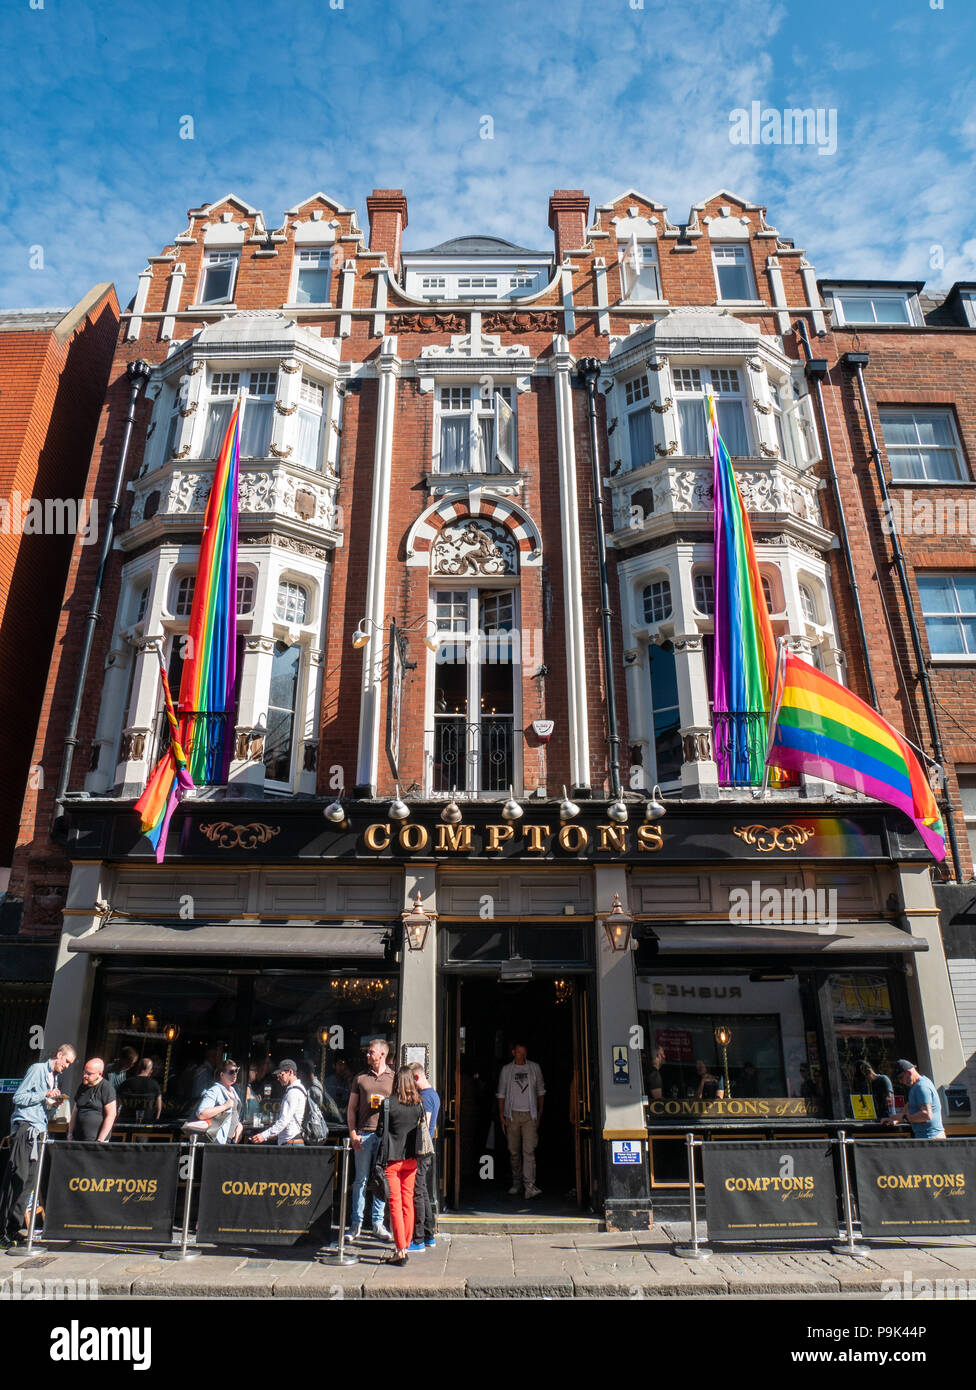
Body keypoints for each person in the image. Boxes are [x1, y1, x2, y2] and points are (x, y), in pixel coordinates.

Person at [0, 1043, 76, 1247]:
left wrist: (53, 1106)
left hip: (39, 1129)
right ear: (59, 1055)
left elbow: (44, 1112)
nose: (67, 1066)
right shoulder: (37, 1070)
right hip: (25, 1129)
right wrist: (44, 1095)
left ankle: (14, 1229)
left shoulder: (54, 1078)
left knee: (29, 1184)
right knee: (17, 1178)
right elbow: (19, 1097)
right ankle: (2, 1230)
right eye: (67, 1061)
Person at [347, 1039, 396, 1241]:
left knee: (380, 1180)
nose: (367, 1055)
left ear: (382, 1055)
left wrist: (387, 1105)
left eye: (371, 1052)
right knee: (360, 1180)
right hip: (364, 1133)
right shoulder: (360, 1078)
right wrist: (352, 1133)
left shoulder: (394, 1077)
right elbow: (351, 1108)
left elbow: (400, 1106)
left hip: (384, 1135)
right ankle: (356, 1224)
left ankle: (377, 1223)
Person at [377, 1065, 425, 1266]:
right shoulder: (419, 1105)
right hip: (411, 1159)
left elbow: (380, 1130)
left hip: (393, 1159)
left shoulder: (388, 1104)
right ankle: (405, 1243)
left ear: (397, 1082)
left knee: (395, 1204)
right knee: (408, 1202)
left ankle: (400, 1250)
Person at [496, 1041, 545, 1200]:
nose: (521, 1056)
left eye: (524, 1053)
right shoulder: (506, 1070)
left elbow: (541, 1091)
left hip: (529, 1115)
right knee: (514, 1151)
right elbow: (501, 1094)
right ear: (513, 1053)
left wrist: (539, 1112)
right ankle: (517, 1184)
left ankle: (529, 1186)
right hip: (512, 1115)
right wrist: (502, 1115)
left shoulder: (534, 1068)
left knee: (529, 1151)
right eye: (519, 1052)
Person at [408, 1064, 441, 1252]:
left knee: (418, 1193)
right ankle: (429, 1235)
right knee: (424, 1191)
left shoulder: (426, 1097)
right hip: (427, 1150)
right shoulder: (433, 1094)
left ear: (416, 1077)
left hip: (421, 1150)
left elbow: (424, 1124)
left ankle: (419, 1239)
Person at [251, 1060, 307, 1144]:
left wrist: (264, 1136)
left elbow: (284, 1121)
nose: (278, 1078)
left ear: (290, 1072)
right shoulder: (299, 1089)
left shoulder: (293, 1092)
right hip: (293, 1141)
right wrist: (275, 1124)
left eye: (281, 1074)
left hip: (291, 1143)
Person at [892, 1059, 945, 1138]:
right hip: (927, 1137)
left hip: (931, 1138)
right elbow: (910, 1105)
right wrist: (894, 1118)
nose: (900, 1082)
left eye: (901, 1077)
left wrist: (904, 1118)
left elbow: (926, 1115)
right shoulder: (917, 1086)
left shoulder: (922, 1087)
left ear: (909, 1073)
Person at [67, 1059, 117, 1143]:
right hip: (77, 1139)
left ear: (99, 1074)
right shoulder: (82, 1086)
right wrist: (70, 1133)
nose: (85, 1075)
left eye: (89, 1074)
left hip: (95, 1141)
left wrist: (100, 1139)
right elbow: (75, 1111)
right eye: (84, 1072)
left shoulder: (106, 1088)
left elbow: (111, 1115)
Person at [196, 1060, 243, 1143]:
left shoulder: (233, 1090)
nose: (235, 1074)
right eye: (231, 1072)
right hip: (217, 1138)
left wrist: (239, 1125)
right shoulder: (215, 1090)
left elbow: (234, 1114)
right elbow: (201, 1113)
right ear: (222, 1074)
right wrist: (225, 1106)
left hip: (230, 1139)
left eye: (236, 1071)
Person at [118, 1058, 163, 1122]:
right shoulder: (155, 1085)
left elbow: (116, 1105)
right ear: (150, 1071)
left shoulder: (126, 1083)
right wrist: (155, 1122)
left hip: (125, 1123)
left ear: (138, 1068)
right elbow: (159, 1107)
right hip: (147, 1124)